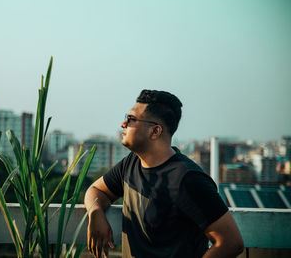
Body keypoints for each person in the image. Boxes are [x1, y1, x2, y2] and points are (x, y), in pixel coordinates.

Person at [84, 90, 244, 258]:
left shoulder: (188, 179)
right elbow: (97, 190)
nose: (123, 124)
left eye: (131, 119)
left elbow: (231, 242)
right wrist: (95, 214)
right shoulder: (131, 163)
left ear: (155, 131)